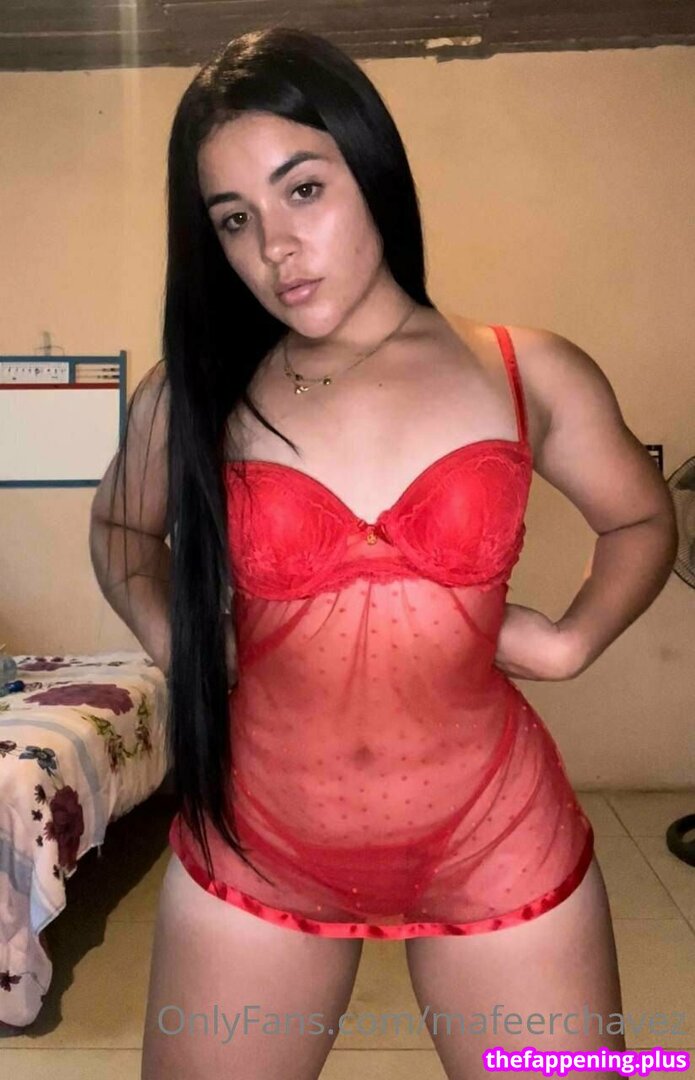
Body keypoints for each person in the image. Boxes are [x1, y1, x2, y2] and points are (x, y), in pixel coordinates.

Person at [88, 25, 678, 1080]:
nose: (274, 247)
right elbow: (121, 531)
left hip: (497, 839)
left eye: (302, 190)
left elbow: (640, 519)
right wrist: (183, 643)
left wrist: (570, 640)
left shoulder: (525, 371)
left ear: (371, 167)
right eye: (235, 219)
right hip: (258, 842)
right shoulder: (195, 393)